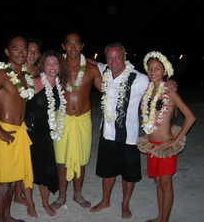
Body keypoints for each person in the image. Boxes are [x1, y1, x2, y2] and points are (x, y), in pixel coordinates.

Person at [89, 42, 177, 219]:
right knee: (107, 171)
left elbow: (158, 85)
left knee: (129, 174)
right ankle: (105, 200)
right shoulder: (105, 70)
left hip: (129, 136)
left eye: (117, 57)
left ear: (124, 57)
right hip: (107, 133)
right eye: (110, 57)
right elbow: (89, 62)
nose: (113, 61)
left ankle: (125, 205)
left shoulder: (140, 79)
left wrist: (171, 83)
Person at [0, 34, 36, 222]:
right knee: (2, 184)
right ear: (7, 51)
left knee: (11, 182)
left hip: (19, 132)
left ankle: (7, 216)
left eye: (24, 48)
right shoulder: (1, 74)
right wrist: (0, 131)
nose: (21, 52)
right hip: (4, 133)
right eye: (16, 48)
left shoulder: (24, 75)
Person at [139, 51, 196, 222]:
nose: (153, 71)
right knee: (157, 182)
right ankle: (160, 217)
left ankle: (164, 220)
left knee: (165, 184)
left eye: (157, 68)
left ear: (165, 72)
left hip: (165, 146)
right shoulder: (149, 91)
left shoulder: (169, 92)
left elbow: (191, 117)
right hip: (152, 145)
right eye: (150, 68)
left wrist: (176, 141)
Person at [51, 32, 102, 210]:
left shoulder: (91, 69)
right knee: (61, 161)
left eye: (76, 44)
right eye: (69, 44)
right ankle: (62, 196)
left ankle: (78, 195)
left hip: (82, 119)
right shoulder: (55, 66)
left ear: (82, 46)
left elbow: (107, 89)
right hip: (61, 119)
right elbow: (35, 79)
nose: (73, 47)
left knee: (80, 159)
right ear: (63, 46)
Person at [25, 50, 69, 216]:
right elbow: (17, 101)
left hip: (46, 135)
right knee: (28, 171)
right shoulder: (34, 82)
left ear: (60, 66)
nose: (52, 67)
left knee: (44, 171)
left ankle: (44, 202)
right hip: (30, 133)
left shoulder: (58, 86)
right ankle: (30, 205)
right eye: (48, 63)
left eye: (55, 63)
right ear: (43, 66)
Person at [13, 36, 42, 206]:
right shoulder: (15, 71)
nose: (32, 54)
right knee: (19, 161)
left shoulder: (40, 72)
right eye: (29, 50)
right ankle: (17, 195)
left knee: (29, 160)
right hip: (19, 120)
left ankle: (20, 193)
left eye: (36, 51)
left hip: (35, 121)